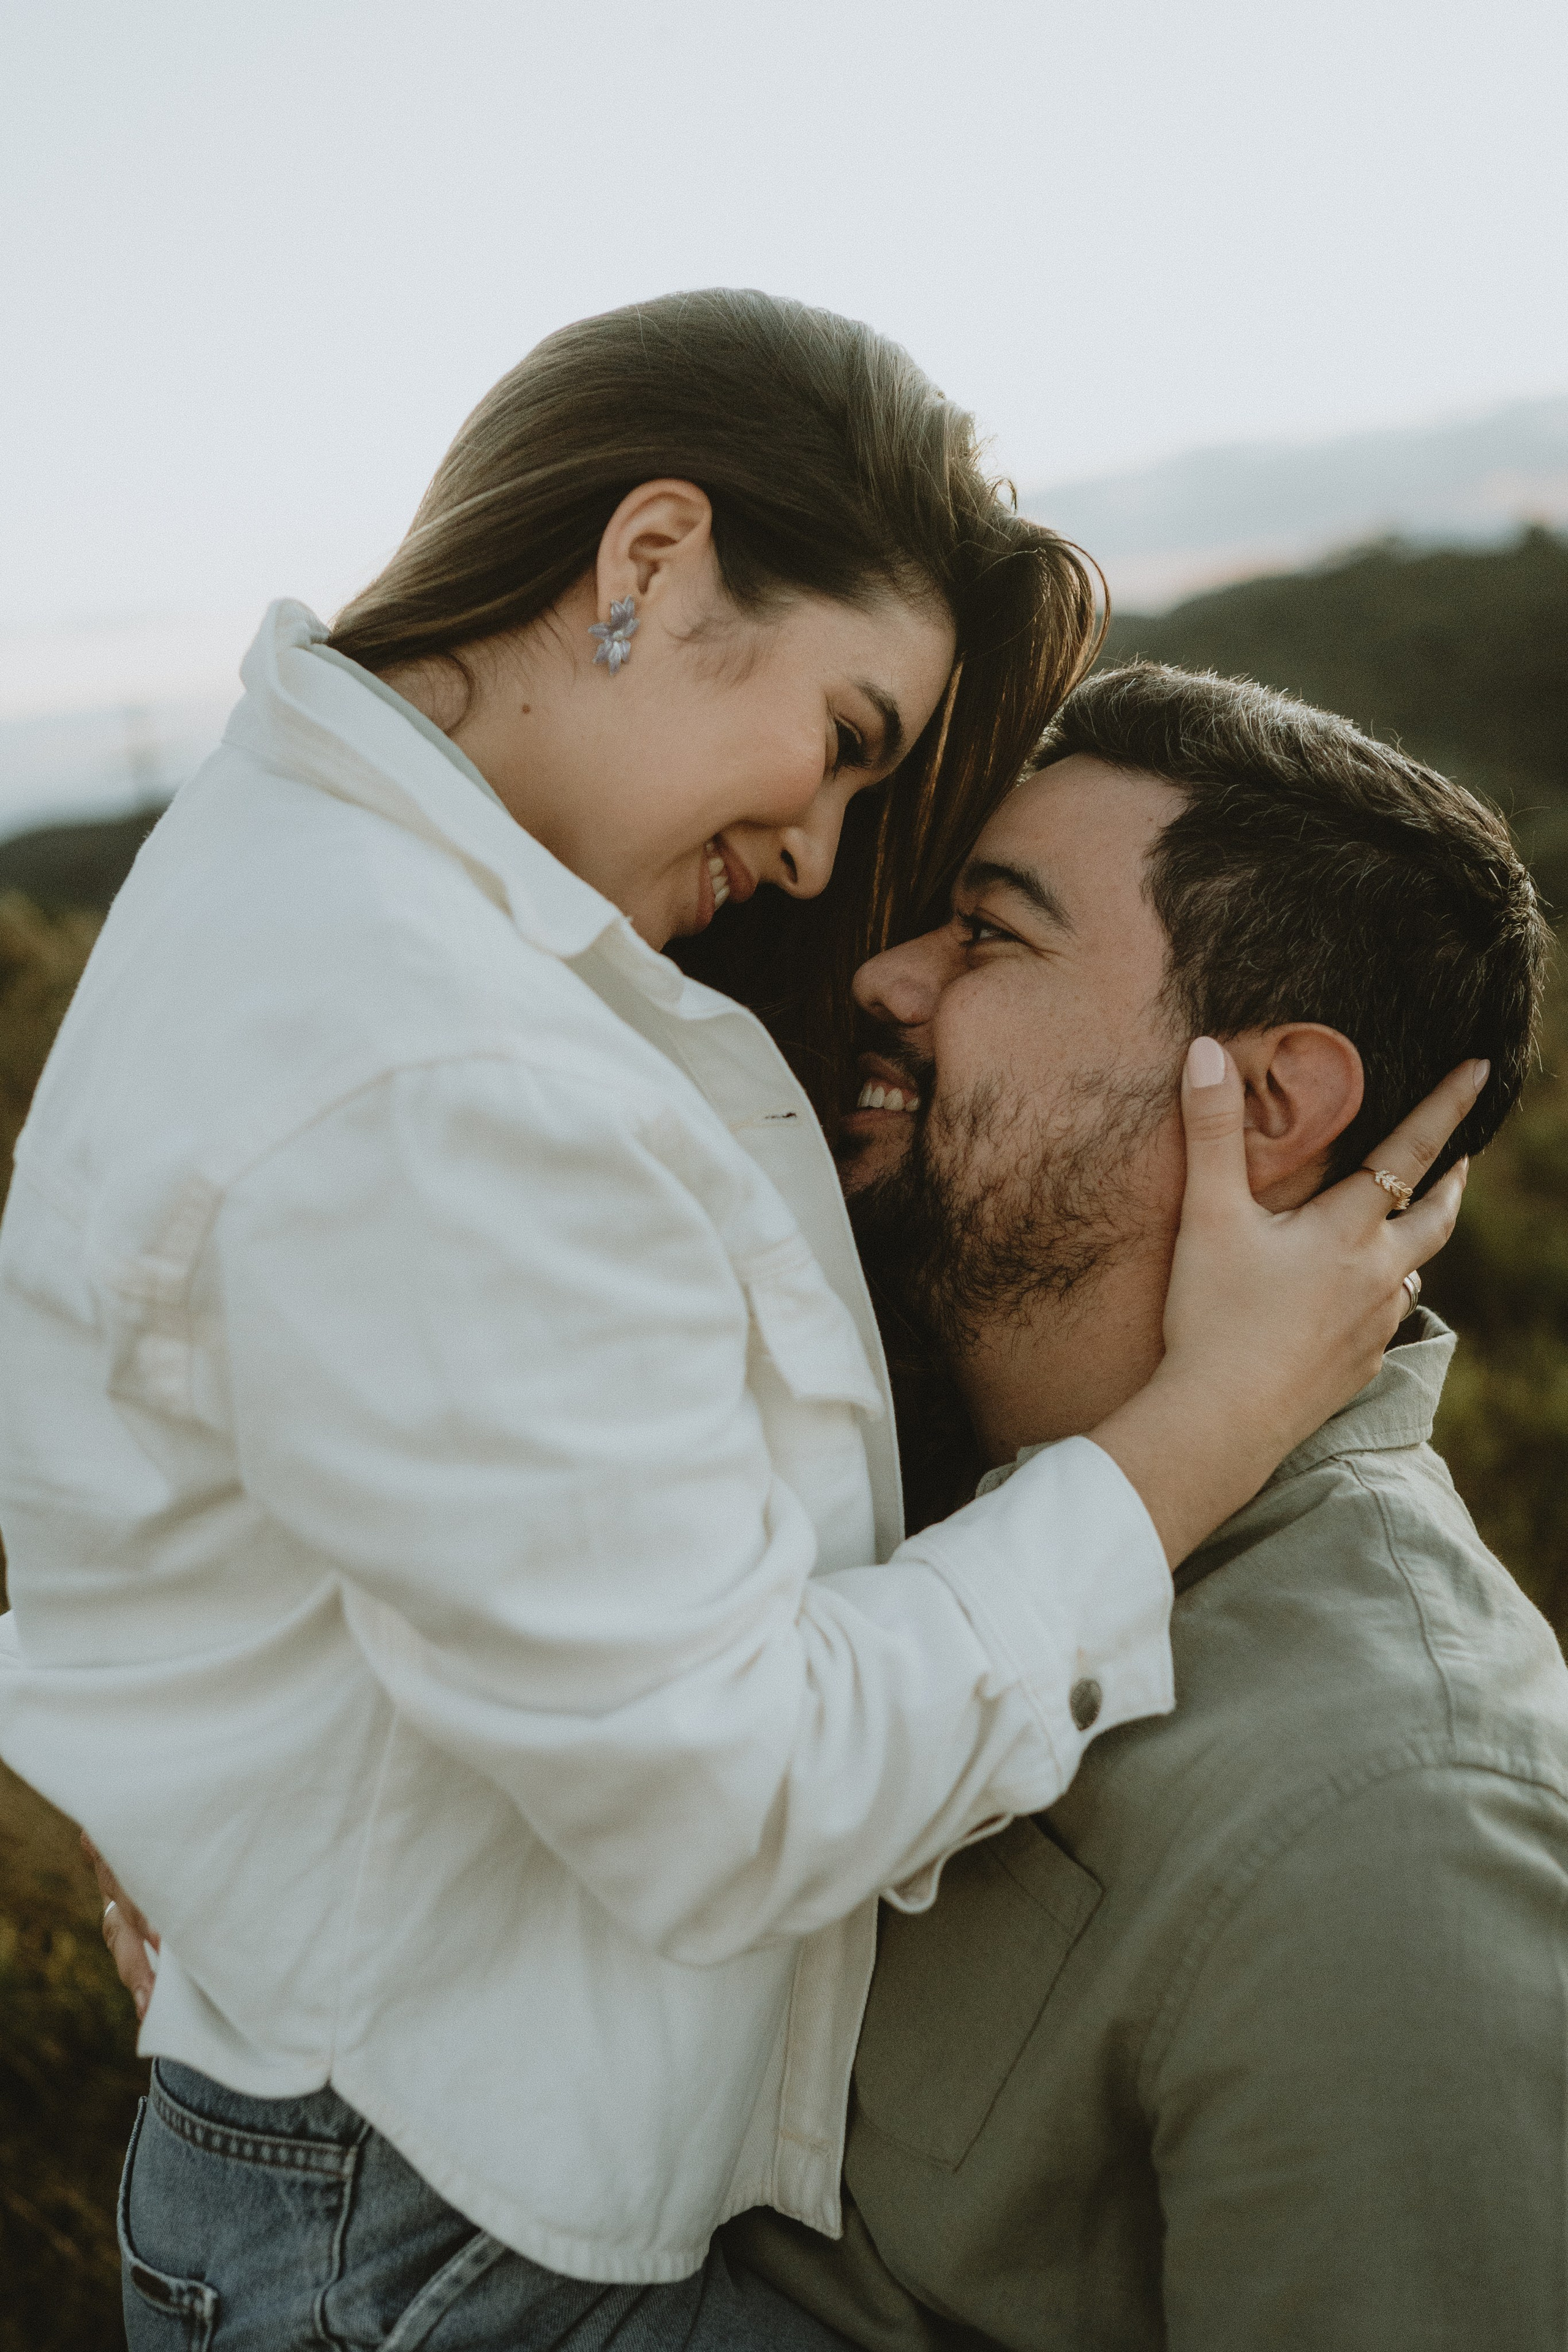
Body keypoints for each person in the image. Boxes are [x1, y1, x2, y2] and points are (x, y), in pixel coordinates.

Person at [0, 284, 1465, 2352]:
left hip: (409, 2142)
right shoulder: (438, 1063)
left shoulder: (358, 893)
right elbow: (739, 1790)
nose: (818, 850)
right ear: (652, 562)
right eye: (852, 743)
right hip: (449, 2244)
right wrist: (1204, 1427)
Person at [725, 662, 1564, 2352]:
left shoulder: (1386, 1820)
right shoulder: (871, 1488)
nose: (889, 975)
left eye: (991, 934)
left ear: (1264, 1104)